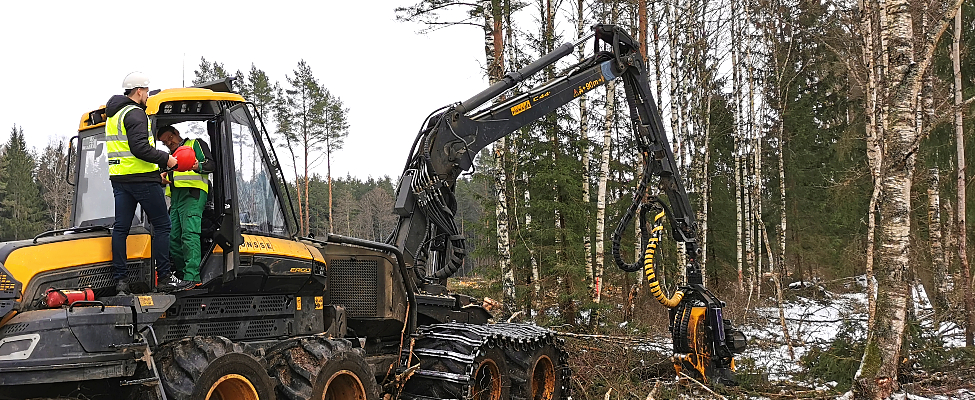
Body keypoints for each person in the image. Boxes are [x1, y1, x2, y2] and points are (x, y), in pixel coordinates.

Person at [106, 72, 194, 294]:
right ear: (138, 91)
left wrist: (158, 172)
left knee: (121, 229)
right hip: (142, 181)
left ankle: (121, 281)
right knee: (163, 225)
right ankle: (164, 277)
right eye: (146, 91)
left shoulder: (113, 116)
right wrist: (167, 159)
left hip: (120, 180)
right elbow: (139, 149)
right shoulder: (136, 114)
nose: (147, 95)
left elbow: (127, 152)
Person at [157, 126, 214, 284]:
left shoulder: (196, 144)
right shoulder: (169, 157)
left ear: (176, 132)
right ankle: (182, 277)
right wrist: (161, 178)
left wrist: (198, 166)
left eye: (169, 137)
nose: (169, 142)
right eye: (164, 142)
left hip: (192, 194)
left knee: (189, 234)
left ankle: (192, 277)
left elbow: (211, 165)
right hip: (176, 198)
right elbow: (162, 175)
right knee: (172, 238)